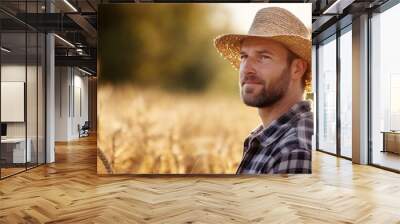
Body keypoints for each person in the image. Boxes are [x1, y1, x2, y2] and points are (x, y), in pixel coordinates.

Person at [214, 7, 313, 174]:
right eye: (244, 56)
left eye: (263, 57)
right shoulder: (266, 136)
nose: (247, 69)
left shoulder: (294, 150)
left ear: (297, 69)